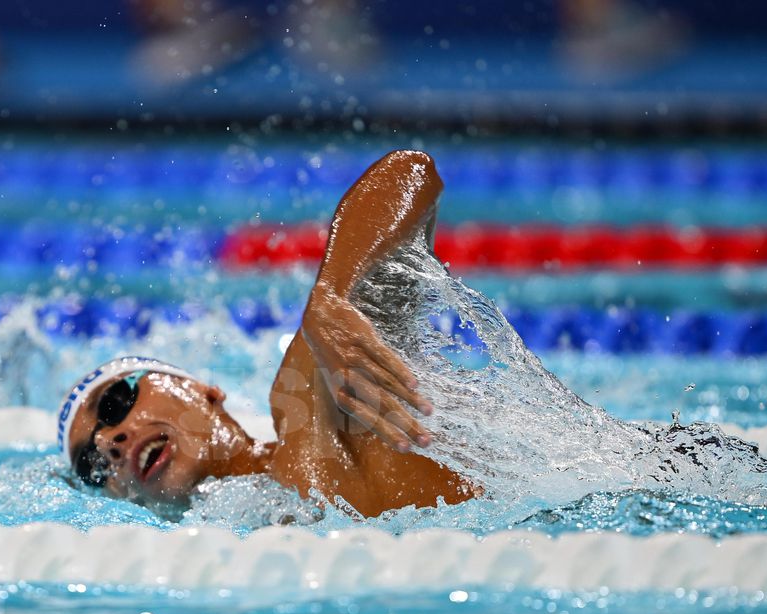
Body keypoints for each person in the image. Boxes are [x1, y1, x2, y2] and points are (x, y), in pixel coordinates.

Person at [60, 150, 475, 518]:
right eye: (91, 465)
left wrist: (331, 296)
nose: (109, 442)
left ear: (204, 391)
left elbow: (408, 172)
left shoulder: (311, 402)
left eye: (116, 402)